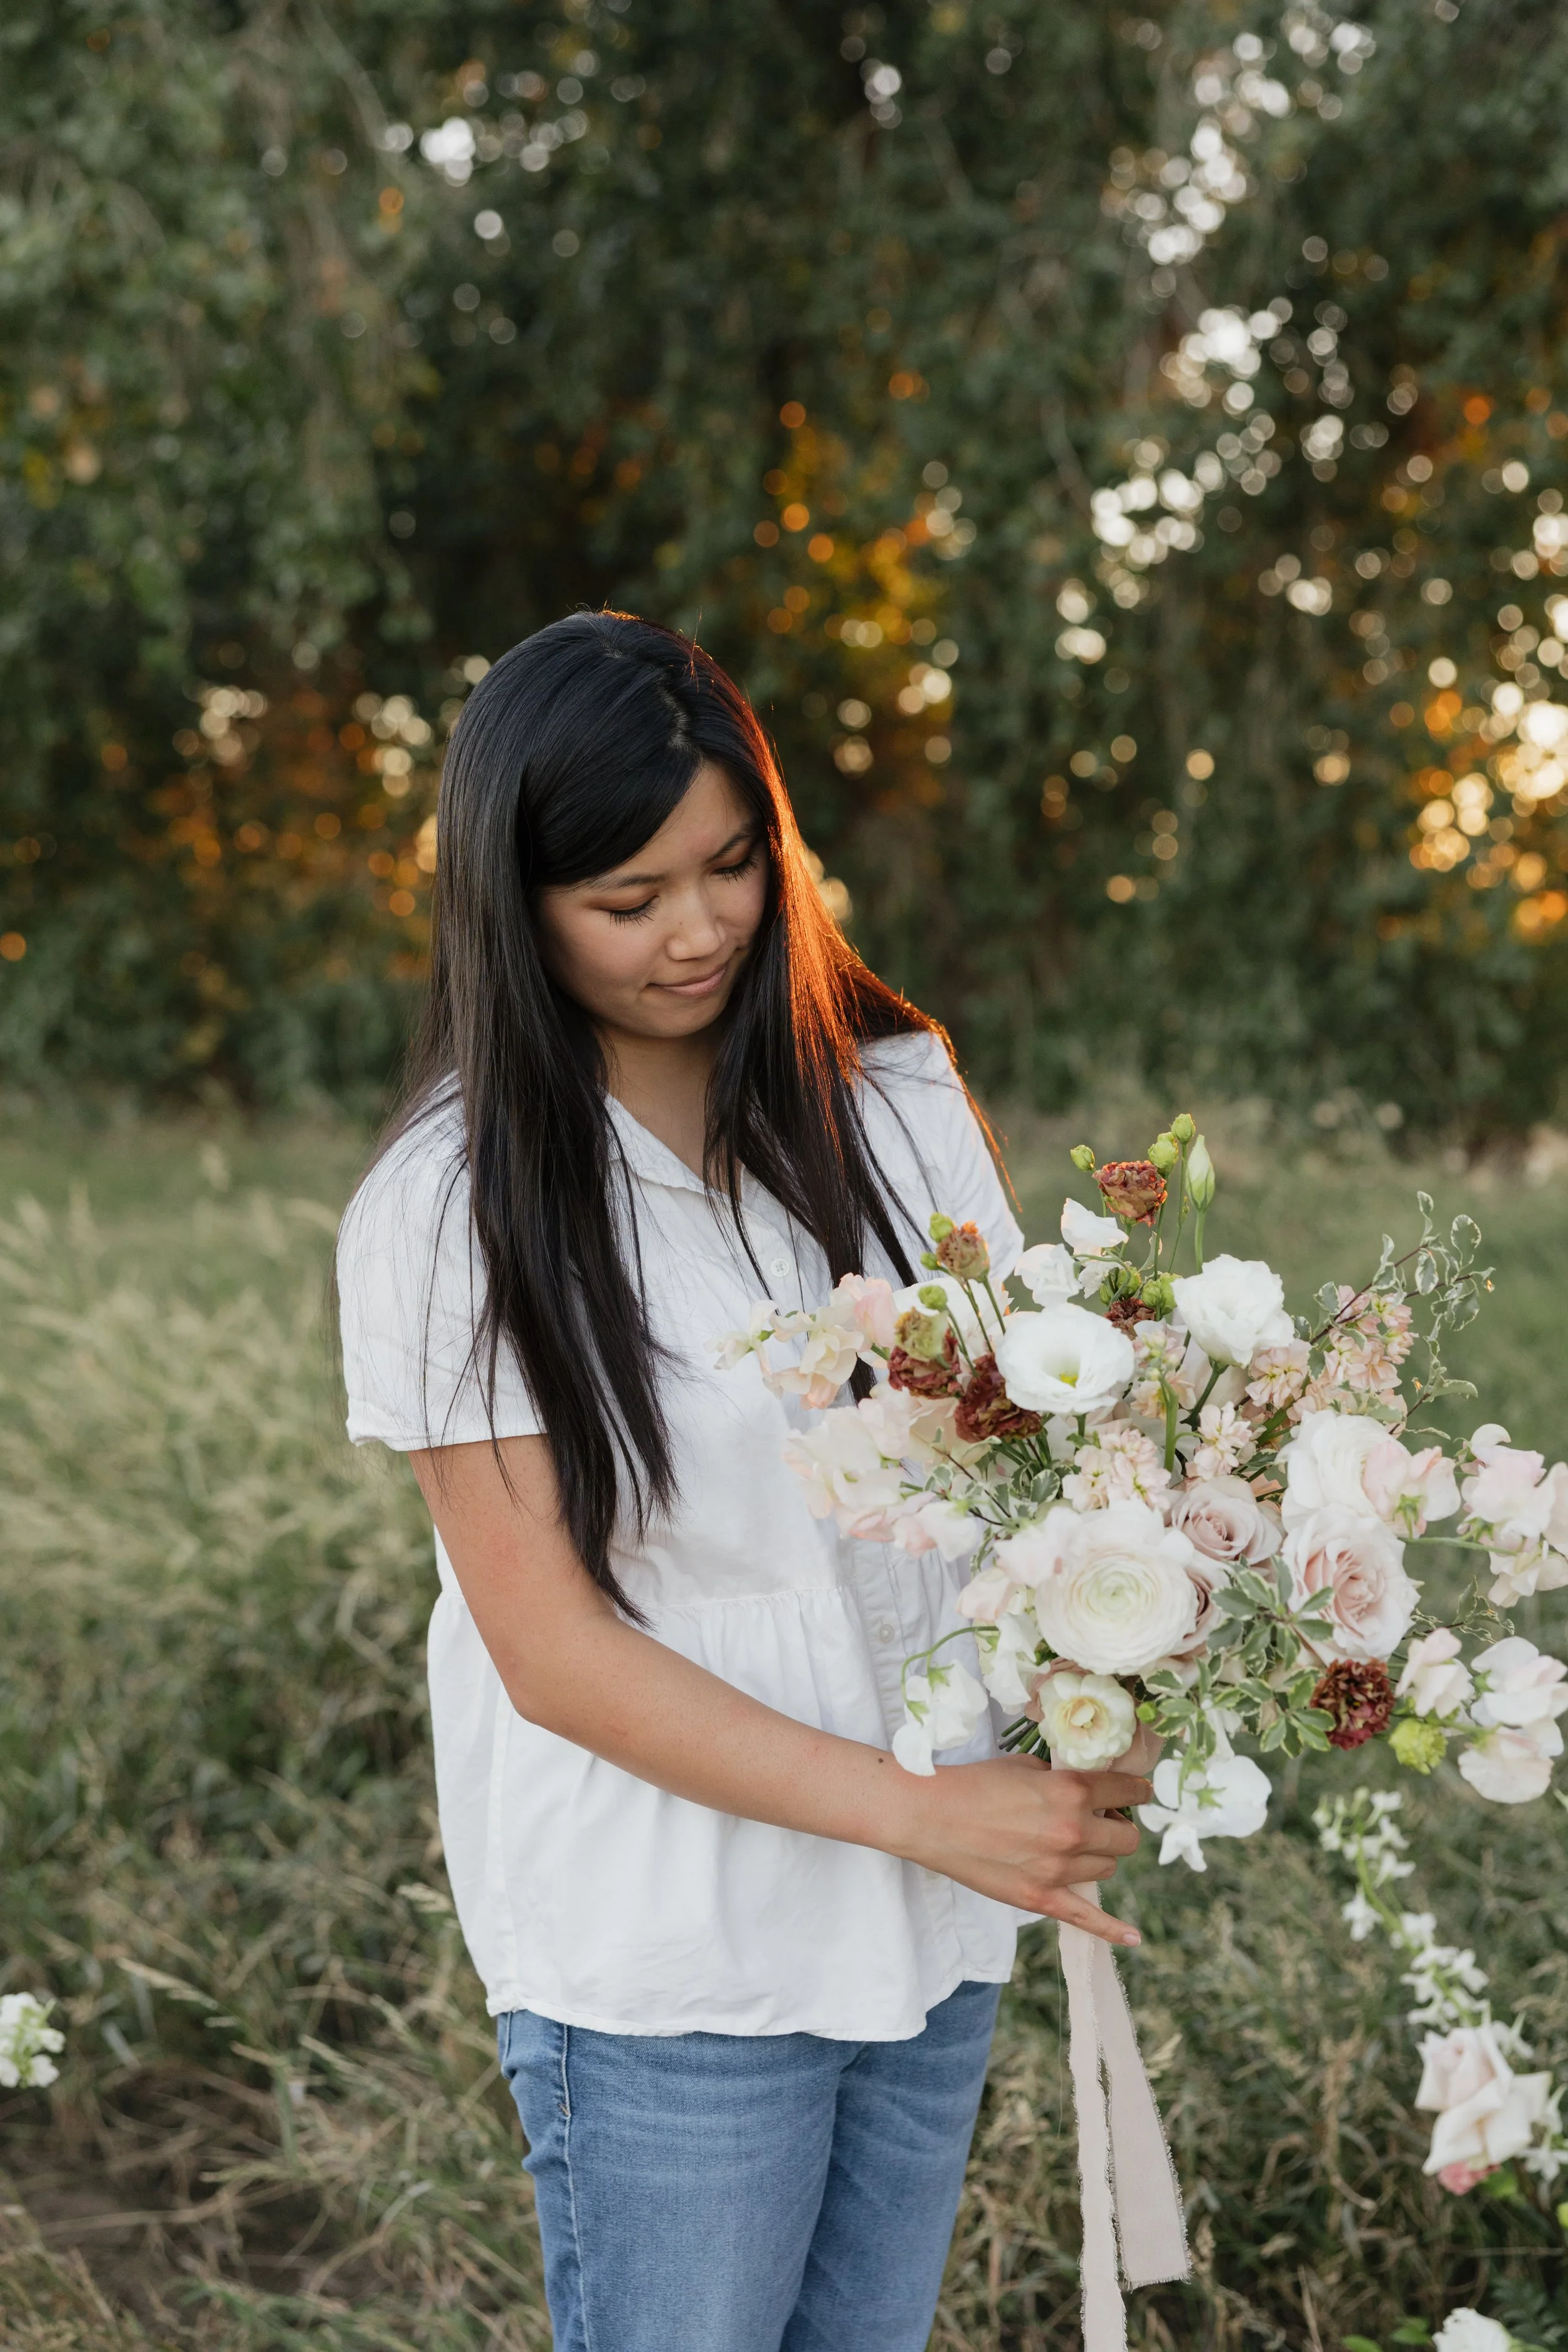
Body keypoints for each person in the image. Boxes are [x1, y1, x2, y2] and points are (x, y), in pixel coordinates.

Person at [337, 611, 1151, 2352]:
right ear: (513, 900)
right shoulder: (443, 1212)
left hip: (934, 1891)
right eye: (626, 898)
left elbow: (1044, 1450)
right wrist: (919, 1806)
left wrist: (1109, 1688)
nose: (697, 930)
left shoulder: (891, 1094)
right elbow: (550, 1650)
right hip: (673, 1932)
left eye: (729, 865)